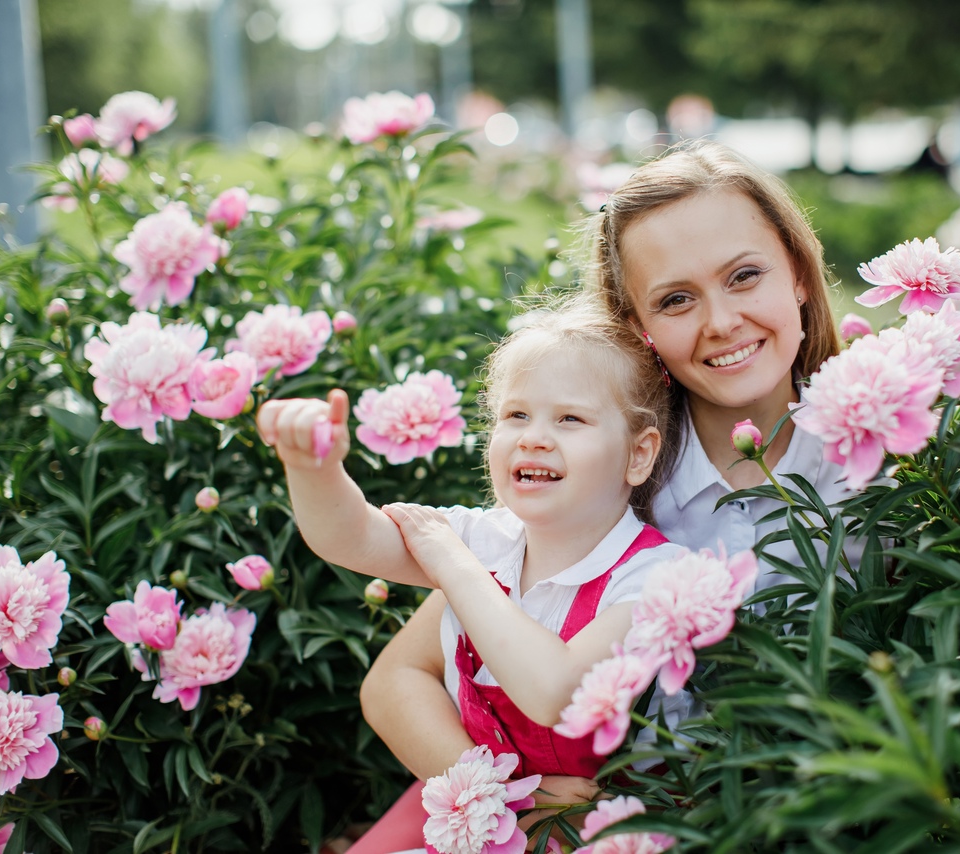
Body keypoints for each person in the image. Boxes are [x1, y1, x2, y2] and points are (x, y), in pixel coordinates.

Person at [350, 139, 851, 852]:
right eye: (676, 299)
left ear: (799, 273)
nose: (721, 321)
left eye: (745, 276)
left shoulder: (890, 471)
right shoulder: (600, 470)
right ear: (638, 328)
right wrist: (509, 803)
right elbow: (401, 675)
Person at [257, 303, 683, 853]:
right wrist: (314, 469)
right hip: (487, 816)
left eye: (570, 419)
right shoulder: (484, 537)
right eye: (516, 416)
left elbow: (555, 692)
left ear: (638, 454)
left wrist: (454, 565)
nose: (533, 438)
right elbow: (350, 538)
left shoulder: (652, 577)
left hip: (594, 834)